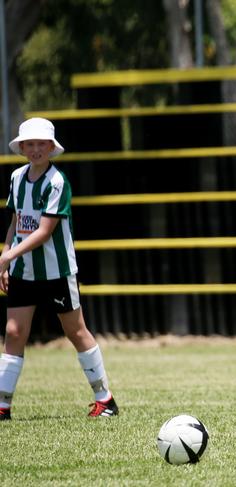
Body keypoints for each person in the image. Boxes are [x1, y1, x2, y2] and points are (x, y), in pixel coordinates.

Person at [0, 117, 118, 420]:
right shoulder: (16, 178)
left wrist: (7, 255)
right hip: (23, 271)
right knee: (14, 332)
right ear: (22, 147)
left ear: (51, 148)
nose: (36, 148)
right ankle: (3, 405)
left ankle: (105, 399)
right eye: (30, 143)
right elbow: (15, 222)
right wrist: (7, 257)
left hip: (57, 272)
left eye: (42, 143)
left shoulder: (57, 182)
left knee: (75, 331)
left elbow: (44, 231)